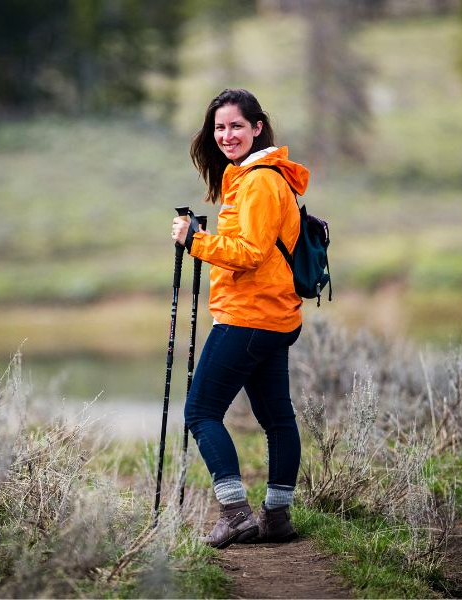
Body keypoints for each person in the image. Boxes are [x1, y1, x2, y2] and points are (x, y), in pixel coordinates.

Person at [171, 88, 310, 549]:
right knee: (276, 417)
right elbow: (256, 245)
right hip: (271, 316)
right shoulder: (254, 178)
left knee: (201, 411)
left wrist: (195, 240)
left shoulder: (258, 181)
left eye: (235, 126)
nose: (226, 135)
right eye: (219, 127)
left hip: (248, 317)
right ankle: (276, 516)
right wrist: (207, 237)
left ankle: (235, 515)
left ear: (257, 127)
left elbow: (248, 254)